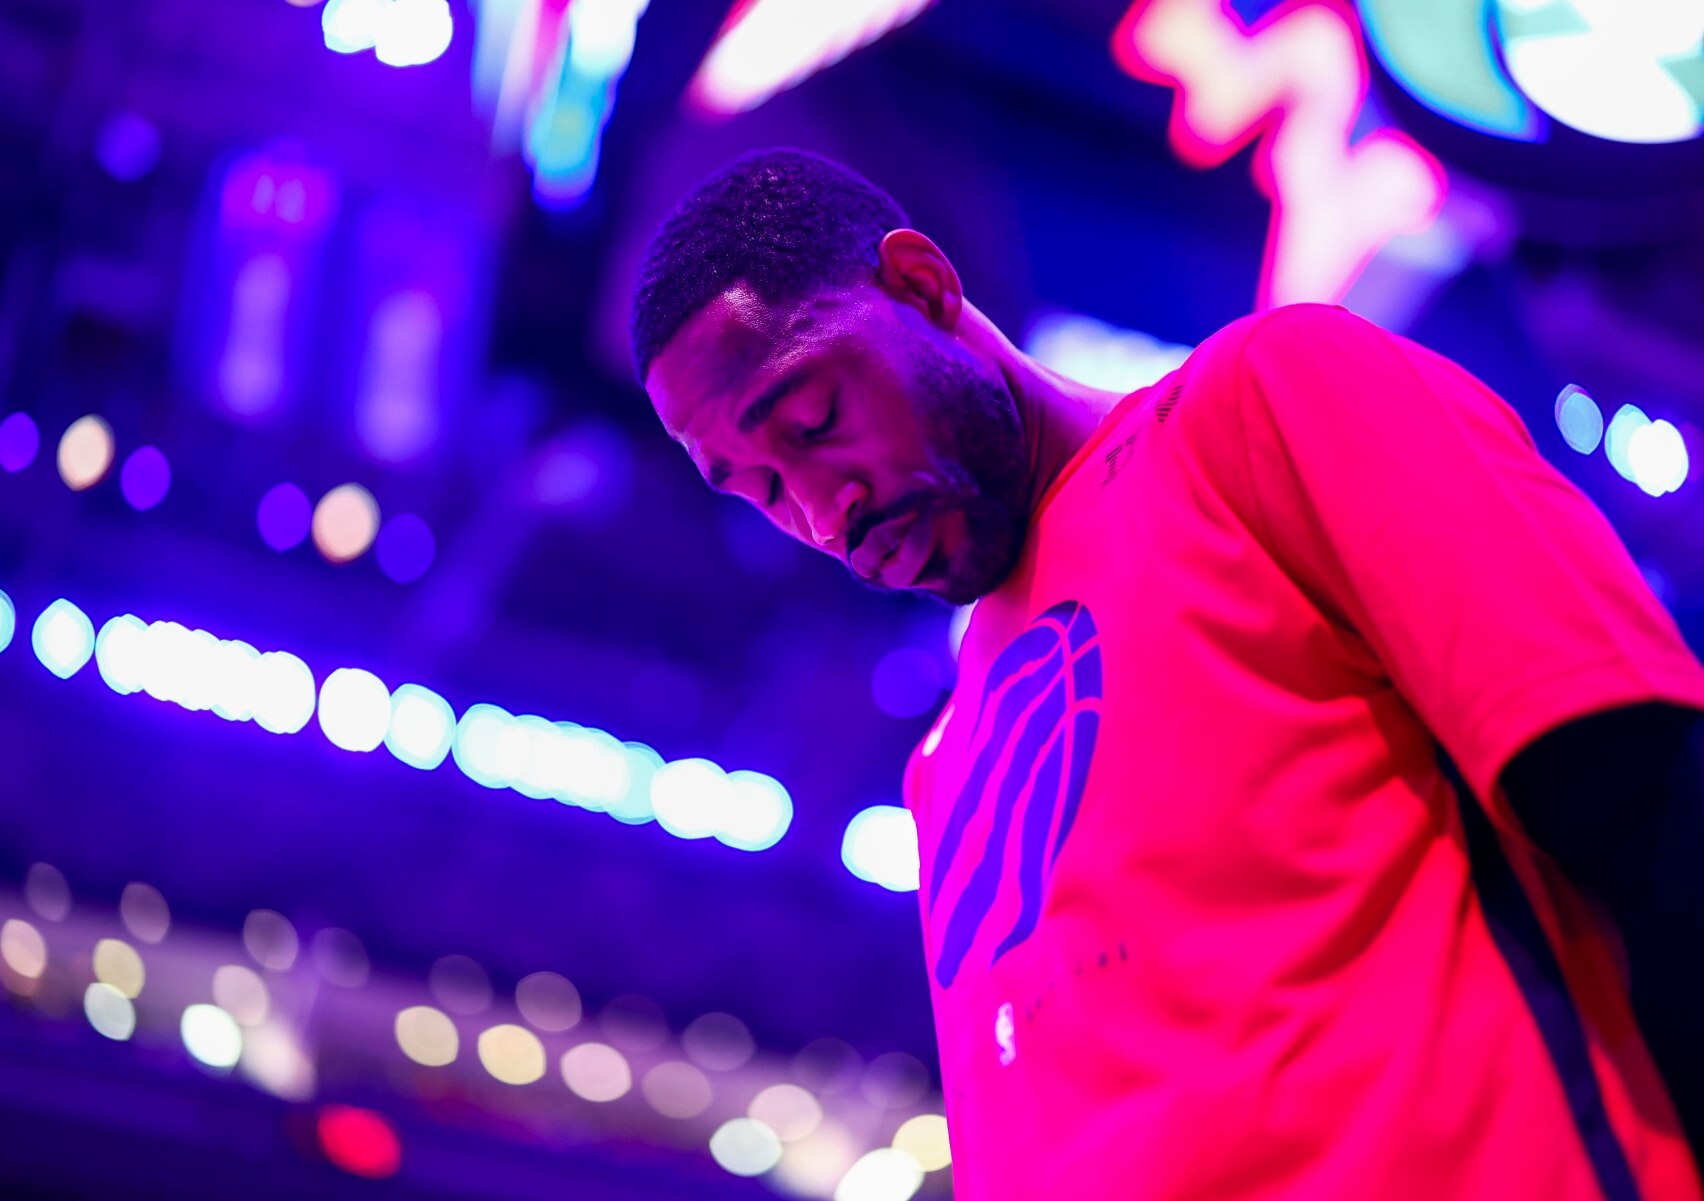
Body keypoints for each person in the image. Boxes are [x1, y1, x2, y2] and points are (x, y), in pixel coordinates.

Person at [630, 148, 1704, 1199]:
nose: (822, 511)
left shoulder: (1263, 402)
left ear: (923, 286)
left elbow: (1638, 790)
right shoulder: (942, 767)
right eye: (760, 488)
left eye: (815, 423)